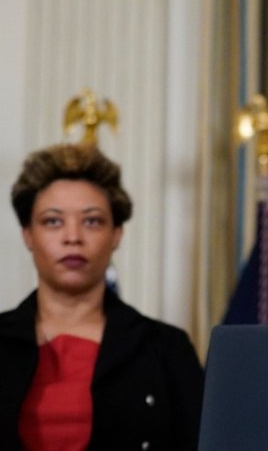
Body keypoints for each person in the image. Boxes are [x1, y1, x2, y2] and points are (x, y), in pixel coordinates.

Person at [0, 143, 204, 450]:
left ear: (116, 234)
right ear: (28, 234)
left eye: (92, 220)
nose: (73, 237)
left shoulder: (165, 349)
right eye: (53, 221)